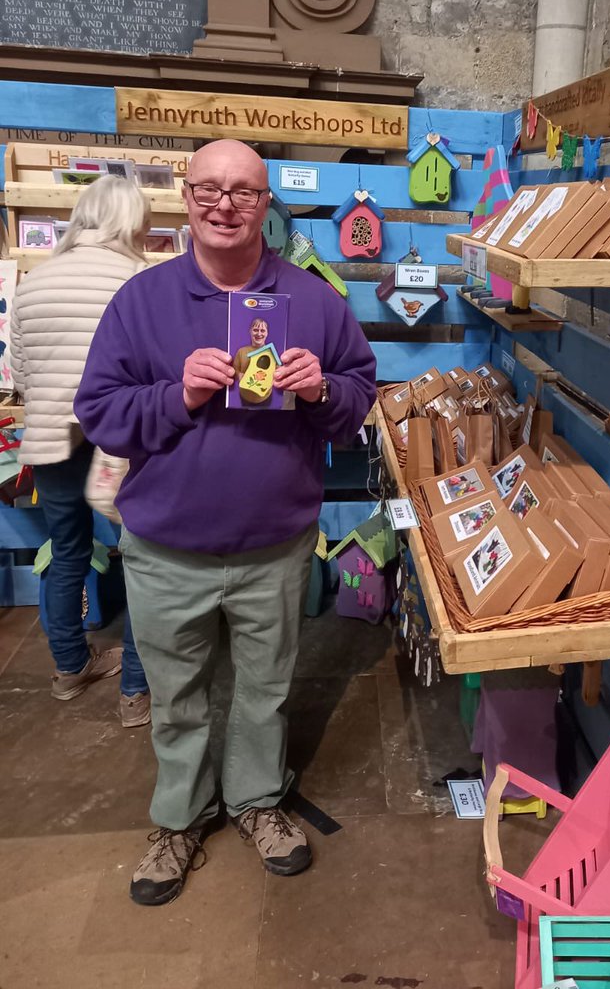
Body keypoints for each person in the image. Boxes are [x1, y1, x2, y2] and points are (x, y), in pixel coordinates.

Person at [74, 139, 376, 907]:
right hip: (165, 548)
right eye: (210, 187)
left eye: (244, 190)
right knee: (177, 694)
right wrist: (177, 396)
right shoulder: (141, 302)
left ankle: (256, 803)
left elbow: (359, 395)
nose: (225, 204)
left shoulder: (311, 301)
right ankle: (178, 819)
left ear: (264, 202)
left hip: (274, 545)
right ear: (187, 195)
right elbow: (102, 415)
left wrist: (321, 394)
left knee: (263, 689)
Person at [10, 175, 152, 726]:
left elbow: (20, 373)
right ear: (130, 221)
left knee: (66, 551)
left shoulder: (33, 282)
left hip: (52, 437)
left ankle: (69, 667)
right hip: (119, 438)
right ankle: (137, 691)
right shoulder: (140, 279)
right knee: (142, 556)